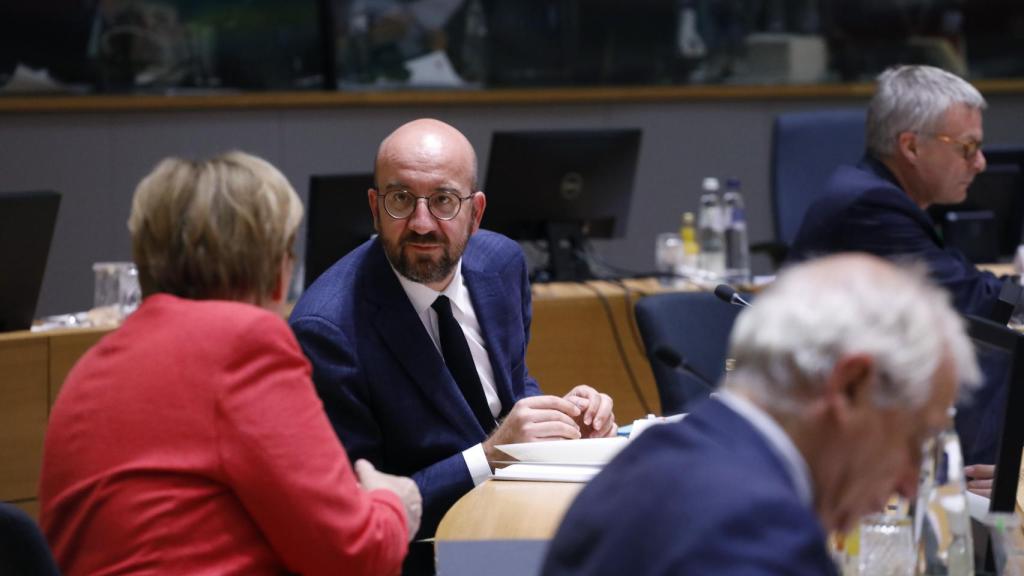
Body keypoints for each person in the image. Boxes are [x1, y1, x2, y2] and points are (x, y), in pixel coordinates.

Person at [39, 152, 420, 576]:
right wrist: (394, 504)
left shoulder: (93, 364)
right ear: (277, 268)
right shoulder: (243, 345)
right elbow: (356, 555)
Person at [542, 253, 981, 576]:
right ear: (850, 387)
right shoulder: (757, 534)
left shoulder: (656, 454)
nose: (908, 483)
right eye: (914, 437)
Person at [289, 118, 617, 547]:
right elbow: (358, 511)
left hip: (517, 518)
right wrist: (488, 456)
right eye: (401, 199)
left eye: (443, 200)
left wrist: (562, 420)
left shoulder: (502, 263)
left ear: (475, 212)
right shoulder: (327, 330)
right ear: (374, 207)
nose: (422, 223)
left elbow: (510, 389)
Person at [789, 65, 1003, 319]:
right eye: (967, 147)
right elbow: (973, 302)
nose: (980, 163)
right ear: (911, 147)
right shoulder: (873, 208)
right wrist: (1016, 293)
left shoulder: (880, 196)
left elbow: (966, 279)